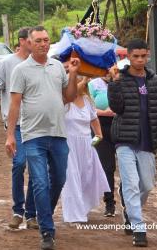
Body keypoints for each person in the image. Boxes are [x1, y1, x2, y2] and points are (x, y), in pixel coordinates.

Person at [6, 26, 80, 250]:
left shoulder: (57, 66)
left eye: (46, 40)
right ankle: (47, 231)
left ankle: (41, 212)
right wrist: (10, 135)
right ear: (28, 43)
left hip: (58, 133)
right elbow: (15, 104)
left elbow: (69, 97)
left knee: (59, 179)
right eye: (38, 40)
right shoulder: (21, 70)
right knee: (40, 182)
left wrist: (74, 74)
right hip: (33, 135)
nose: (43, 44)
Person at [108, 39, 157, 247]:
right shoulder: (120, 79)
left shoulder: (156, 82)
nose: (139, 60)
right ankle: (139, 229)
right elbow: (116, 108)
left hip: (148, 142)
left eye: (143, 56)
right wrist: (113, 83)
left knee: (146, 185)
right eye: (135, 56)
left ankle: (130, 211)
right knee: (130, 184)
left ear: (147, 55)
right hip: (124, 140)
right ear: (128, 57)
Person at [0, 27, 38, 230]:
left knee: (36, 169)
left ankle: (31, 214)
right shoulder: (7, 64)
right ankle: (18, 210)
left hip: (38, 125)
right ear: (23, 41)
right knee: (19, 163)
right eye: (33, 40)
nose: (38, 44)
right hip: (17, 125)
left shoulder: (41, 63)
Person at [61, 76, 110, 223]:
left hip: (86, 146)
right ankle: (73, 214)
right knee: (71, 179)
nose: (83, 83)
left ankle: (83, 208)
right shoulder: (64, 101)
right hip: (68, 145)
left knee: (86, 178)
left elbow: (96, 126)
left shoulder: (88, 101)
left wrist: (95, 141)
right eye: (79, 80)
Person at [88, 75, 117, 217]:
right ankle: (110, 202)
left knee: (127, 165)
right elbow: (87, 107)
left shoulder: (121, 81)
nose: (107, 71)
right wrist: (104, 112)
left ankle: (128, 201)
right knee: (107, 166)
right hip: (100, 127)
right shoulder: (93, 84)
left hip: (120, 125)